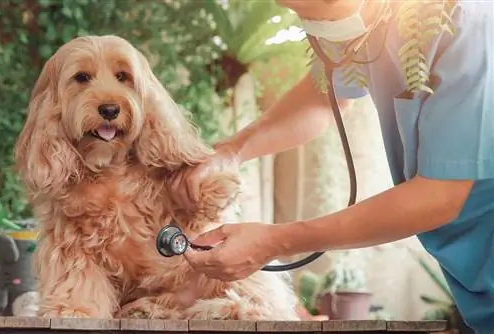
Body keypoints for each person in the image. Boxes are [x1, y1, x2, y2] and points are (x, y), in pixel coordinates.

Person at [172, 1, 493, 332]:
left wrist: (274, 241)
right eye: (299, 13)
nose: (315, 28)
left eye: (319, 12)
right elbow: (323, 94)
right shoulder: (370, 24)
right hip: (474, 289)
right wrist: (231, 152)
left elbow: (438, 197)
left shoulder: (468, 24)